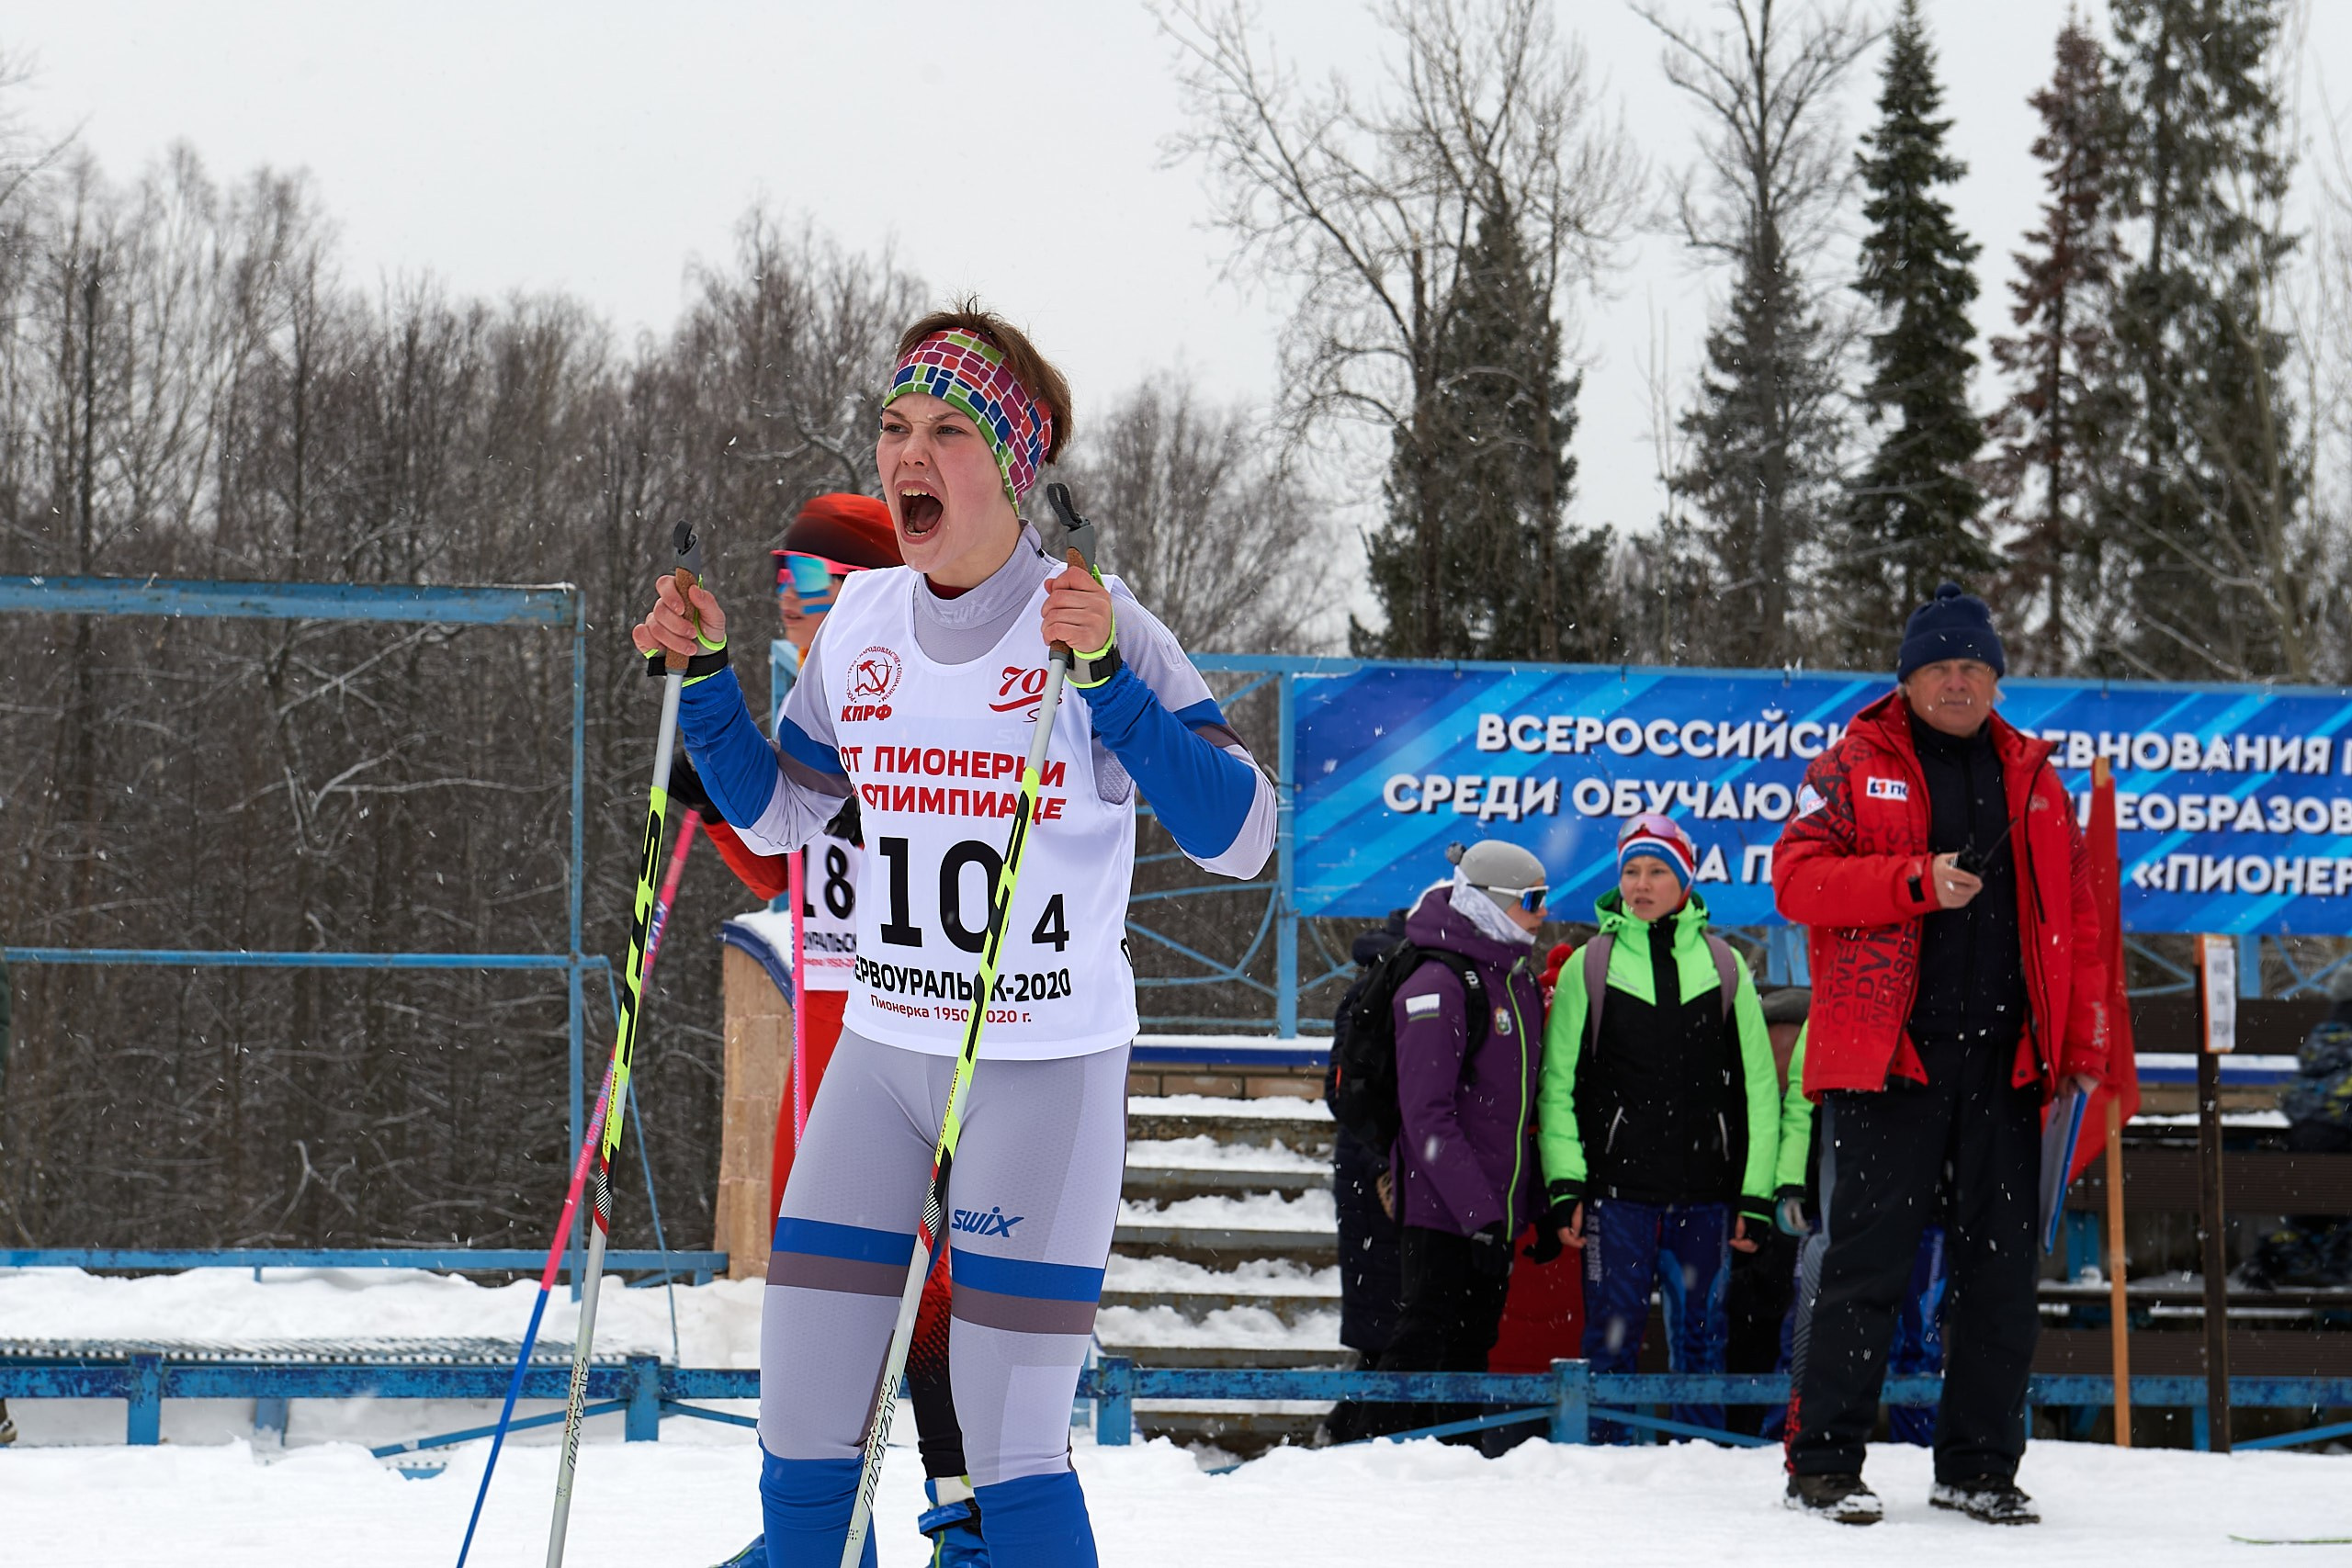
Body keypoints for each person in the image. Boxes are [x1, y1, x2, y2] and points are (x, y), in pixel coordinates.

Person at [633, 305, 1274, 1568]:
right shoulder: (864, 621)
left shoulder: (1095, 615)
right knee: (805, 1415)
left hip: (1042, 1070)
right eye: (893, 425)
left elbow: (1243, 831)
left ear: (1015, 465)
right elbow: (784, 812)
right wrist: (707, 680)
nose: (908, 454)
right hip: (883, 1059)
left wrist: (1110, 689)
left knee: (1006, 1431)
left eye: (947, 430)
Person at [1773, 582, 2104, 1527]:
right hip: (1891, 1058)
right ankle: (1825, 1462)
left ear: (1995, 680)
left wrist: (2079, 1039)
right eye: (1939, 667)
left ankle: (1978, 1465)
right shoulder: (1849, 760)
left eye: (1973, 666)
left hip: (2008, 1065)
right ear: (1907, 680)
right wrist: (1911, 880)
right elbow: (1795, 881)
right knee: (1864, 1267)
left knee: (1999, 1276)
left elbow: (2074, 921)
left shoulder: (2038, 778)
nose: (1958, 681)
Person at [1537, 814, 1780, 1440]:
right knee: (1610, 1346)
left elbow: (1759, 1090)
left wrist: (1755, 1192)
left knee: (1702, 1348)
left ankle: (1701, 1477)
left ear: (1685, 880)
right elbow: (1556, 1088)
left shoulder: (1727, 966)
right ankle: (1602, 1476)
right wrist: (1567, 1182)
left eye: (1656, 871)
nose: (1641, 885)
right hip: (1616, 1201)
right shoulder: (1588, 966)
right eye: (1630, 871)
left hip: (1706, 1200)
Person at [1370, 840, 1550, 1439]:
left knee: (1472, 1344)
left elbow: (1518, 1109)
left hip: (1489, 1211)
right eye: (1532, 899)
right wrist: (1477, 1211)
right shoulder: (1440, 980)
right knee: (1423, 1337)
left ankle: (1458, 1463)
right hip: (1441, 1206)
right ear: (1494, 903)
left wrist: (1530, 1204)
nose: (1542, 913)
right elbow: (1427, 1114)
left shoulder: (1515, 978)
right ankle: (1377, 1453)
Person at [1761, 1020, 1948, 1449]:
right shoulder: (1834, 1007)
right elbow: (1801, 1109)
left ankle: (1914, 1452)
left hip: (1922, 1206)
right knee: (1808, 1334)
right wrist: (1791, 1184)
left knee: (1919, 1342)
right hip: (1842, 1206)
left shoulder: (1944, 1005)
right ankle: (1784, 1441)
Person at [1321, 908, 1408, 1445]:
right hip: (1375, 1177)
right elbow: (1348, 1094)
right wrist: (1385, 1161)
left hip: (1372, 1171)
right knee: (1385, 1320)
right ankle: (1359, 1430)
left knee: (1384, 1319)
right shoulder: (1374, 996)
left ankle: (1359, 1427)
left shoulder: (1369, 990)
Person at [2239, 964, 2352, 1289]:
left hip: (2308, 1155)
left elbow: (2296, 1098)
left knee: (2314, 1219)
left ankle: (2284, 1257)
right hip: (2336, 1152)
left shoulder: (2323, 1043)